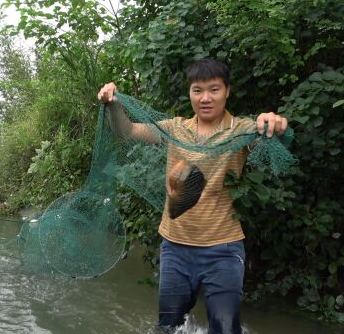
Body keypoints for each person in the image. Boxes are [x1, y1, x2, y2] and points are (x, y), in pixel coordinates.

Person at [96, 58, 288, 334]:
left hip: (223, 249)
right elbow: (126, 132)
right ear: (190, 93)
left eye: (214, 89)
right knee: (168, 327)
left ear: (227, 91)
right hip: (175, 247)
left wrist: (275, 123)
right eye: (197, 90)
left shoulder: (242, 130)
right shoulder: (176, 129)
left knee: (225, 329)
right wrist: (113, 104)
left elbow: (274, 134)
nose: (205, 98)